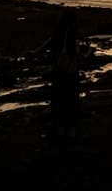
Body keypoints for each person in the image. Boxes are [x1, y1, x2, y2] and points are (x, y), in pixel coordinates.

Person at [43, 8, 81, 140]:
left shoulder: (57, 32)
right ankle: (71, 133)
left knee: (59, 102)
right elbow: (72, 52)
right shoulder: (70, 33)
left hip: (57, 71)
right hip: (69, 73)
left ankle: (59, 132)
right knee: (71, 102)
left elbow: (52, 48)